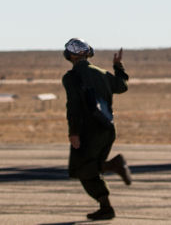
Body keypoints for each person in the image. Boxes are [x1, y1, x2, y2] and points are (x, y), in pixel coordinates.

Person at [62, 38, 132, 221]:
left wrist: (74, 132)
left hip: (88, 131)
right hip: (108, 129)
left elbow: (74, 106)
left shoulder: (71, 77)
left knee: (82, 168)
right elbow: (122, 86)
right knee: (91, 170)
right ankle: (106, 208)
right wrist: (118, 66)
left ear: (70, 56)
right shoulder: (102, 73)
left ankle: (114, 164)